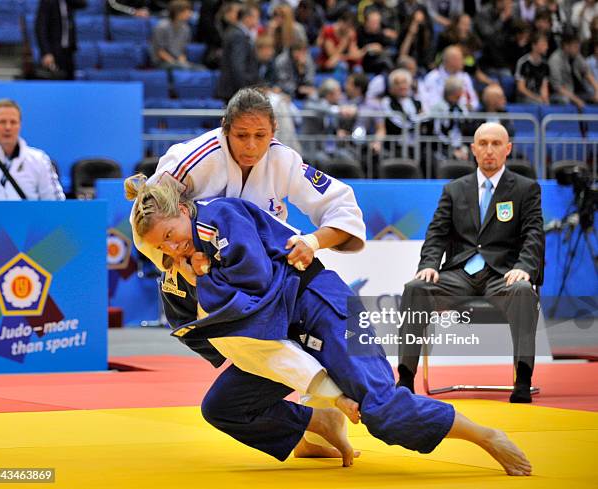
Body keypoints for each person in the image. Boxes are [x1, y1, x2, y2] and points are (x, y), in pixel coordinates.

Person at [124, 175, 534, 476]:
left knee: (382, 412)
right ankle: (316, 422)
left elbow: (256, 285)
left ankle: (485, 436)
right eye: (161, 246)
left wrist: (206, 279)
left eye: (172, 235)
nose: (173, 247)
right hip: (277, 333)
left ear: (182, 210)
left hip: (320, 305)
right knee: (222, 408)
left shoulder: (222, 217)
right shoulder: (178, 269)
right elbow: (201, 333)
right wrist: (197, 280)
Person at [131, 87, 366, 456]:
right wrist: (178, 262)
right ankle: (313, 419)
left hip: (269, 276)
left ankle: (325, 402)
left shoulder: (283, 160)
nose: (251, 146)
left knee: (281, 345)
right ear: (225, 128)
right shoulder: (189, 159)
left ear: (274, 131)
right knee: (230, 355)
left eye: (261, 136)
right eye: (241, 135)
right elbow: (146, 221)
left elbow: (341, 205)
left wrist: (315, 241)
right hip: (201, 274)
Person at [396, 123, 545, 404]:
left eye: (496, 144)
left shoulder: (526, 189)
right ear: (473, 149)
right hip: (459, 275)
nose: (489, 150)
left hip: (503, 275)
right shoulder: (454, 189)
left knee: (524, 292)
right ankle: (405, 378)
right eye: (484, 143)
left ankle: (523, 380)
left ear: (508, 149)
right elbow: (437, 232)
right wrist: (428, 263)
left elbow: (534, 234)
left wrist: (524, 267)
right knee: (416, 287)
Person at [0, 99, 65, 201]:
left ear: (20, 125)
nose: (8, 127)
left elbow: (55, 203)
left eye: (13, 122)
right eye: (2, 122)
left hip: (31, 216)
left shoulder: (39, 160)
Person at [215, 3, 262, 101]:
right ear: (247, 18)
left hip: (236, 90)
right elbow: (238, 67)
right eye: (256, 17)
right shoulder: (238, 36)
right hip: (236, 91)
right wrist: (245, 90)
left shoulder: (236, 32)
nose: (258, 21)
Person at [35, 0, 86, 80]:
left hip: (68, 52)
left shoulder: (68, 2)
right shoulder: (48, 2)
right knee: (55, 85)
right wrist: (46, 52)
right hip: (54, 52)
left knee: (70, 84)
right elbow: (41, 29)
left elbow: (83, 4)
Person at [549, 29, 598, 108]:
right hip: (560, 94)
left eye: (578, 47)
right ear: (566, 46)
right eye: (575, 47)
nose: (578, 49)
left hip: (577, 92)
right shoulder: (555, 60)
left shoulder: (577, 56)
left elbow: (587, 73)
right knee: (565, 100)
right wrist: (576, 100)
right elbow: (557, 87)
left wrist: (596, 90)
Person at [150, 0, 195, 70]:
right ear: (178, 12)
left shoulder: (186, 28)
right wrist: (175, 62)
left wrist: (182, 60)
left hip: (177, 61)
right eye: (187, 11)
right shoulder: (161, 27)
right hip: (161, 61)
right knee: (184, 68)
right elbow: (159, 51)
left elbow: (182, 50)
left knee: (201, 69)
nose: (190, 14)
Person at [515, 32, 551, 104]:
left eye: (546, 44)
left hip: (538, 97)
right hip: (524, 98)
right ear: (534, 45)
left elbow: (544, 87)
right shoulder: (523, 63)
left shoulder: (545, 65)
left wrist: (546, 100)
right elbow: (521, 88)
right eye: (543, 44)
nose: (546, 47)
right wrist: (536, 98)